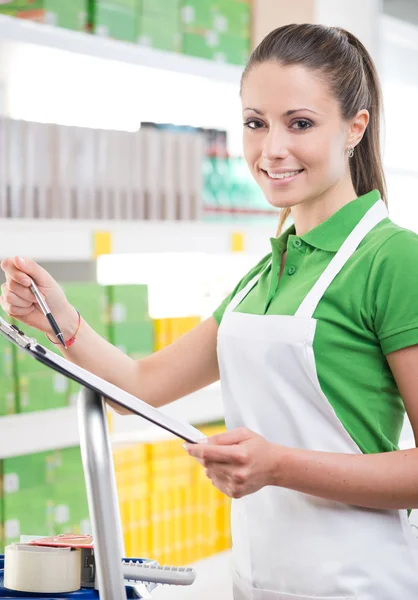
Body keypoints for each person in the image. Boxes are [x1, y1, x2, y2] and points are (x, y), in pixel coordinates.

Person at [2, 22, 418, 600]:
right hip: (257, 583)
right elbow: (141, 386)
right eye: (255, 123)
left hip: (362, 586)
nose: (271, 149)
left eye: (299, 123)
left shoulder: (394, 258)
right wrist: (59, 318)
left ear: (355, 127)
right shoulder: (264, 275)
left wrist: (277, 466)